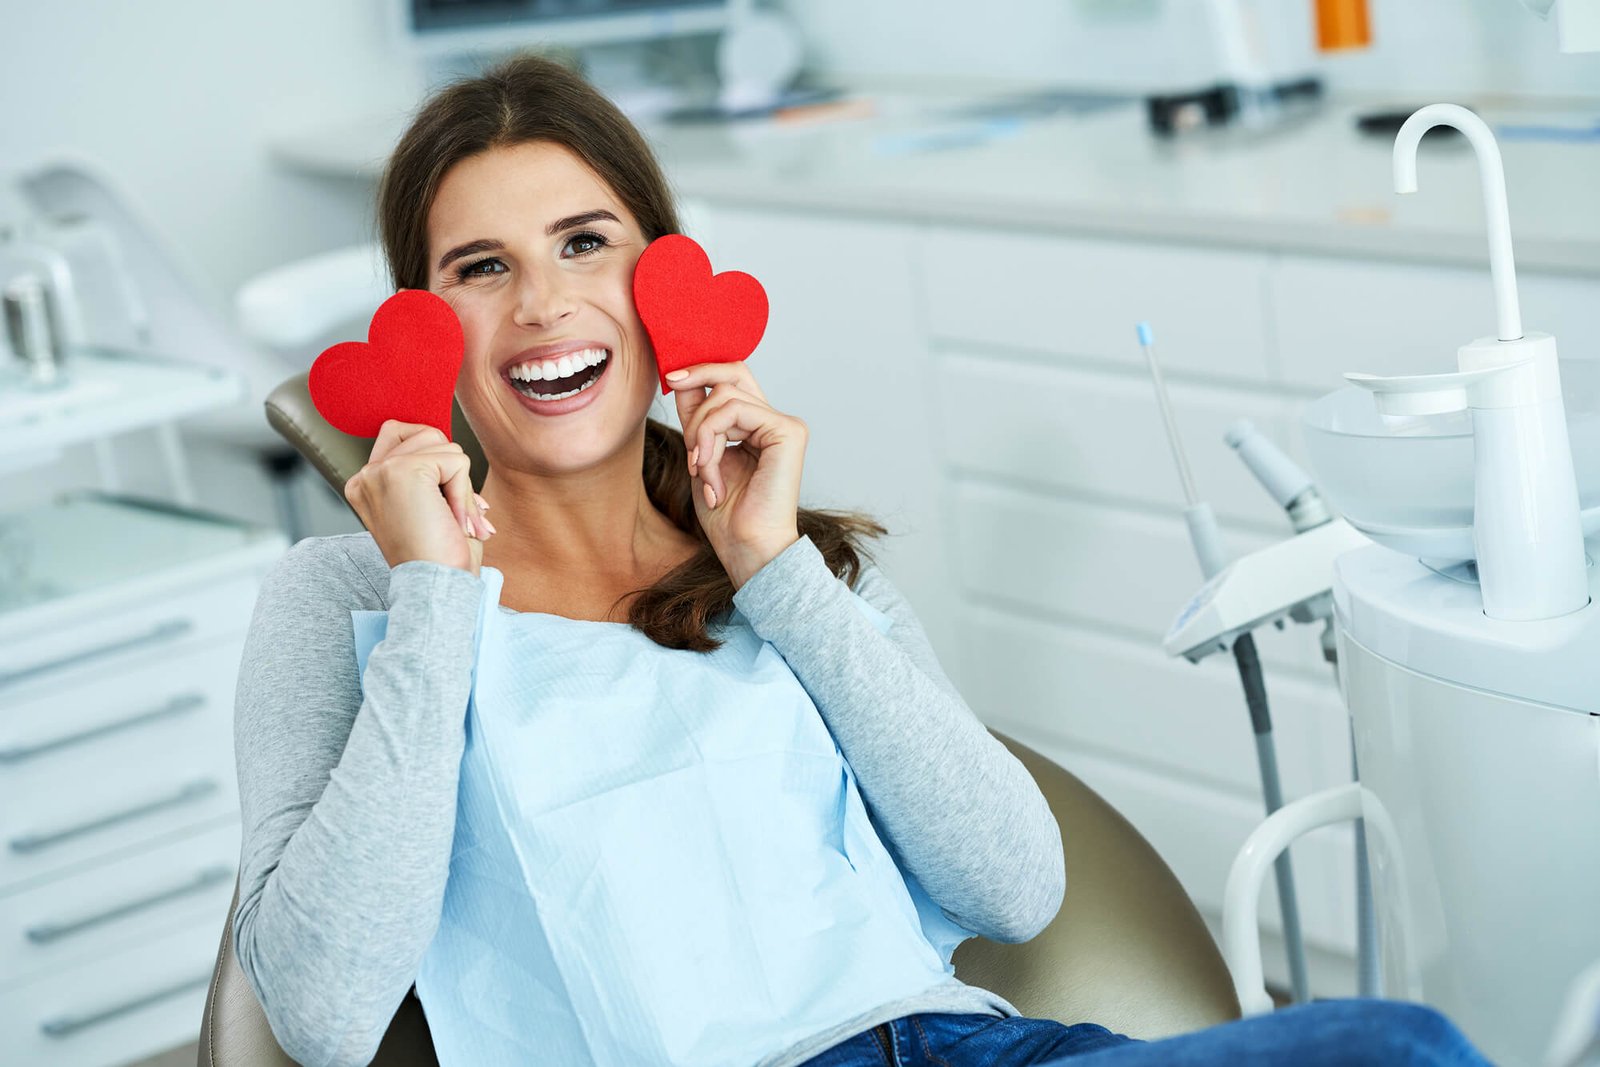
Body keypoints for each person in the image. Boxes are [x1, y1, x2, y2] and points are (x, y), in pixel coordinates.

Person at [230, 52, 1492, 1067]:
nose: (545, 304)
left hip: (966, 1046)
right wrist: (436, 595)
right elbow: (325, 1015)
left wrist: (774, 569)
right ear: (418, 326)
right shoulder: (350, 601)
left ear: (665, 279)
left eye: (586, 242)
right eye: (481, 268)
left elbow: (1015, 884)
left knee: (1405, 1041)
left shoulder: (787, 559)